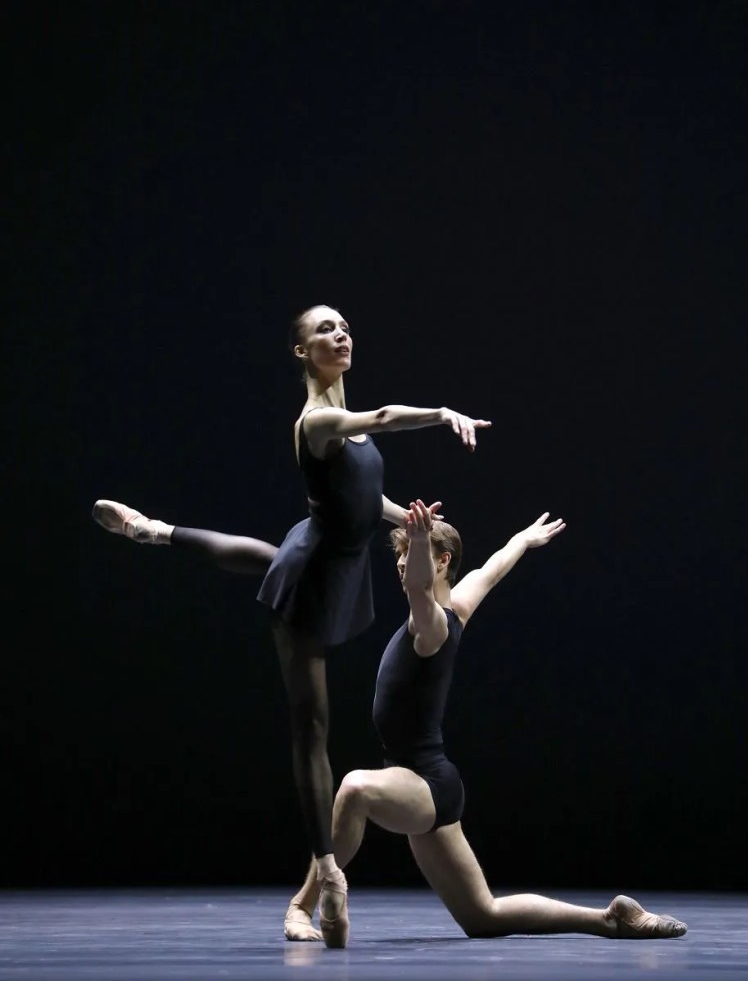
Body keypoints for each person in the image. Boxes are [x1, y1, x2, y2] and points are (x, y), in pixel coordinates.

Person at [92, 303, 492, 946]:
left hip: (328, 561)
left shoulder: (345, 430)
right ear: (302, 352)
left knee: (269, 557)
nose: (341, 334)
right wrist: (442, 413)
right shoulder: (319, 421)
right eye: (324, 329)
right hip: (311, 581)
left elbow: (365, 494)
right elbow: (384, 418)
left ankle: (155, 531)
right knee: (312, 728)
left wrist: (406, 519)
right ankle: (328, 875)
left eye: (345, 326)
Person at [283, 500, 688, 947]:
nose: (400, 563)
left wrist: (419, 539)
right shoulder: (459, 605)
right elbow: (491, 569)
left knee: (355, 789)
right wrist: (523, 540)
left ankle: (303, 905)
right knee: (483, 915)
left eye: (410, 554)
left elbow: (419, 587)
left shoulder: (431, 627)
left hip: (421, 782)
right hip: (429, 782)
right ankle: (609, 919)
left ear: (442, 561)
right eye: (398, 554)